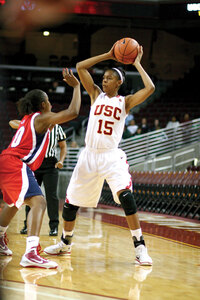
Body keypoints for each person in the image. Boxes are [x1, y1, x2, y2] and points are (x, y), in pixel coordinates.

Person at [44, 43, 155, 266]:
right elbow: (80, 67)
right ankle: (65, 244)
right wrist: (109, 55)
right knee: (70, 204)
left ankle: (140, 247)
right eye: (103, 77)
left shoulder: (125, 102)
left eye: (109, 77)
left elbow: (150, 88)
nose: (104, 80)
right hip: (89, 156)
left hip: (111, 156)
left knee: (126, 197)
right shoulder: (95, 94)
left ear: (119, 82)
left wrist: (137, 63)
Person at [0, 68, 81, 268]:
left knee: (15, 203)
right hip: (16, 163)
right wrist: (77, 87)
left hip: (7, 161)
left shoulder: (28, 120)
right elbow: (73, 112)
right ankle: (31, 252)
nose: (52, 105)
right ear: (43, 105)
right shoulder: (40, 118)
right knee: (39, 202)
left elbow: (17, 124)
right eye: (49, 102)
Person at [15, 124, 67, 236]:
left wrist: (61, 161)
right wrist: (23, 124)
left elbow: (63, 146)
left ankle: (54, 227)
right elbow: (12, 123)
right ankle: (27, 225)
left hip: (51, 164)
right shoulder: (34, 124)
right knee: (31, 195)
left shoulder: (58, 128)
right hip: (34, 163)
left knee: (51, 196)